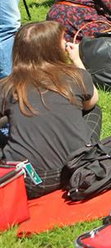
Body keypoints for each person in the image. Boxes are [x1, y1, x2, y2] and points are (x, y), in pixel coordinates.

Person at [0, 22, 101, 198]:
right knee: (93, 110)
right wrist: (77, 60)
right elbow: (92, 101)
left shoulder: (7, 86)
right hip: (78, 169)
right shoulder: (74, 75)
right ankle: (84, 147)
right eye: (62, 40)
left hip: (28, 182)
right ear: (53, 48)